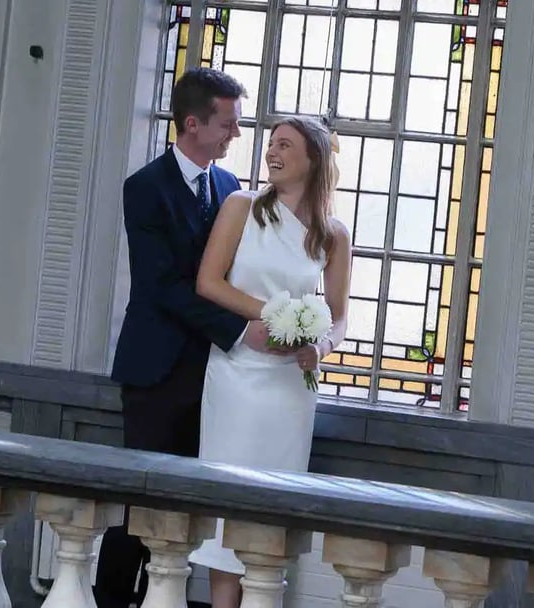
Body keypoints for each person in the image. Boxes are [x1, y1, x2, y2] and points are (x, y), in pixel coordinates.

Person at [94, 68, 272, 608]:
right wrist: (242, 329)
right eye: (228, 124)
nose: (235, 135)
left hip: (215, 374)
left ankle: (158, 599)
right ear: (192, 124)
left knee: (184, 509)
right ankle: (111, 600)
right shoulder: (144, 188)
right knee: (141, 502)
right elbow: (162, 284)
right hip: (156, 370)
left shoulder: (229, 189)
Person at [189, 115, 351, 608]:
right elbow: (208, 283)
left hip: (288, 389)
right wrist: (274, 315)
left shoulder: (333, 234)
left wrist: (316, 347)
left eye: (285, 145)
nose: (271, 153)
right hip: (237, 375)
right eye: (271, 144)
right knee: (226, 509)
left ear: (313, 160)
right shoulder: (241, 207)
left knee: (270, 514)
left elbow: (340, 318)